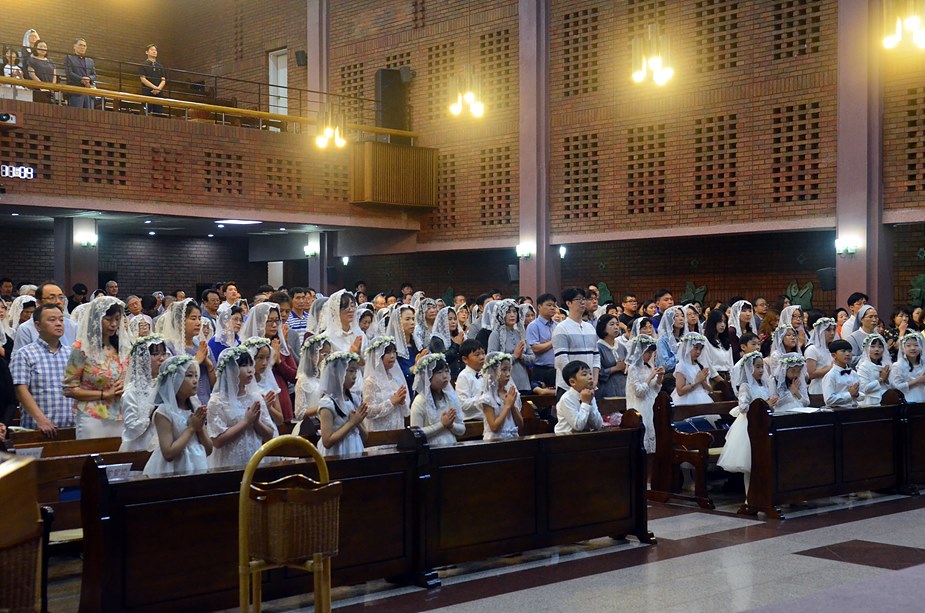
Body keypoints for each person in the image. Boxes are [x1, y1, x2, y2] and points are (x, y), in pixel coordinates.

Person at [62, 296, 130, 438]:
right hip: (93, 416)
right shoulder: (82, 348)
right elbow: (69, 388)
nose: (113, 324)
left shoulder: (122, 348)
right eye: (108, 319)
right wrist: (104, 394)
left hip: (121, 414)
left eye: (117, 319)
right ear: (96, 319)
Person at [207, 346, 277, 468]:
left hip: (254, 460)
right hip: (229, 464)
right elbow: (217, 441)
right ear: (230, 369)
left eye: (251, 365)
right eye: (244, 365)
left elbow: (269, 434)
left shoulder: (255, 397)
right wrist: (245, 422)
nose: (250, 370)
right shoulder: (217, 401)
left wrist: (256, 423)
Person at [717, 351, 777, 493]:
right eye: (757, 367)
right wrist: (766, 404)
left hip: (764, 425)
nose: (761, 370)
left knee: (765, 461)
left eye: (762, 367)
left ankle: (765, 493)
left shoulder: (765, 385)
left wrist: (771, 404)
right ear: (749, 368)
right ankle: (749, 495)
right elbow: (743, 407)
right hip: (748, 427)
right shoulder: (746, 386)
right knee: (750, 463)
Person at [143, 355, 213, 476]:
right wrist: (191, 429)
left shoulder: (195, 407)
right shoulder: (164, 412)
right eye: (189, 376)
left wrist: (200, 428)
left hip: (197, 465)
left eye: (196, 376)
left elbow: (208, 450)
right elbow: (168, 454)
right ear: (174, 379)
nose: (195, 381)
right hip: (173, 471)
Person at [10, 305, 73, 436]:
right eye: (52, 320)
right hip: (38, 430)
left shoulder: (72, 353)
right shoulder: (24, 354)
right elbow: (20, 390)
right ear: (38, 326)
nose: (58, 324)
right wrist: (40, 419)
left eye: (61, 320)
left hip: (72, 428)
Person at [119, 334, 169, 451]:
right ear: (143, 358)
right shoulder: (133, 391)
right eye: (156, 354)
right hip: (139, 447)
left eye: (163, 354)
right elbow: (132, 428)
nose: (162, 358)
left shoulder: (165, 385)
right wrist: (150, 414)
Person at [317, 351, 368, 457]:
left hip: (355, 448)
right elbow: (327, 441)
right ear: (337, 373)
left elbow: (365, 436)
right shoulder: (327, 403)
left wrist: (358, 422)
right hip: (337, 453)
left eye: (355, 371)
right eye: (351, 371)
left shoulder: (354, 399)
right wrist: (351, 423)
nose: (354, 376)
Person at [552, 288, 600, 397]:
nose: (582, 302)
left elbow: (596, 356)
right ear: (568, 303)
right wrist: (576, 383)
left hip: (588, 387)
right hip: (568, 388)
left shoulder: (590, 328)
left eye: (584, 299)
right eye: (578, 299)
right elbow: (561, 360)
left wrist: (594, 379)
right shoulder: (561, 328)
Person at [410, 353, 464, 446]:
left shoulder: (450, 397)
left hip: (452, 447)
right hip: (431, 449)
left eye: (446, 371)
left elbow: (462, 429)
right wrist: (442, 424)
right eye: (439, 372)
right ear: (428, 376)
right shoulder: (420, 401)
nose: (445, 376)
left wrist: (451, 425)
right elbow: (416, 433)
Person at [12, 282, 77, 356]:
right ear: (39, 302)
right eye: (52, 298)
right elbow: (19, 357)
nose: (58, 302)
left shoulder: (73, 326)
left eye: (61, 297)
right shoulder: (26, 328)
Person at [487, 299, 535, 395]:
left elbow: (533, 358)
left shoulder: (521, 334)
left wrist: (521, 356)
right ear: (502, 314)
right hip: (504, 385)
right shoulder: (496, 334)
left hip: (524, 383)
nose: (512, 315)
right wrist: (514, 356)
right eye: (508, 312)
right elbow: (492, 360)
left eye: (514, 312)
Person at [362, 336, 409, 432]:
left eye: (394, 352)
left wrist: (402, 403)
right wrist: (391, 402)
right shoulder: (371, 381)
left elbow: (406, 413)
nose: (392, 356)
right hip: (379, 434)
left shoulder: (397, 380)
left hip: (397, 430)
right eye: (388, 352)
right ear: (377, 356)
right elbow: (368, 412)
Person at [625, 335, 662, 454]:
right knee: (644, 440)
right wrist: (651, 377)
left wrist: (659, 377)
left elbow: (656, 389)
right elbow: (639, 392)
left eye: (652, 353)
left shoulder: (650, 366)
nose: (650, 355)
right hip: (640, 406)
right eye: (648, 352)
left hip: (652, 403)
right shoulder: (633, 368)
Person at [478, 352, 523, 440]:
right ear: (492, 372)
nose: (508, 374)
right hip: (495, 440)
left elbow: (520, 424)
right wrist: (507, 406)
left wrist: (512, 406)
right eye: (504, 370)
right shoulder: (487, 398)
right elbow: (494, 427)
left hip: (513, 438)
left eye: (509, 370)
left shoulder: (510, 394)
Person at [293, 334, 330, 436]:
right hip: (310, 428)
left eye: (328, 354)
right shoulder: (303, 380)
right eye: (324, 354)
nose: (326, 359)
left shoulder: (327, 377)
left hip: (327, 425)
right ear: (312, 355)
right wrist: (322, 406)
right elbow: (300, 413)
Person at [554, 360, 604, 435]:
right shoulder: (566, 399)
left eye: (590, 373)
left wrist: (589, 403)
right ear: (572, 382)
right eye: (584, 374)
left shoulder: (589, 395)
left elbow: (598, 425)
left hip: (584, 436)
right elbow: (578, 426)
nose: (590, 377)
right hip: (565, 438)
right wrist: (586, 403)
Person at [243, 337, 284, 424]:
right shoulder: (243, 384)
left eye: (267, 358)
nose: (265, 363)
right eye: (260, 358)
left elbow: (280, 420)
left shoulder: (269, 382)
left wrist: (269, 408)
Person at [671, 333, 713, 405]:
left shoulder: (699, 365)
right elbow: (680, 391)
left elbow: (710, 390)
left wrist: (703, 381)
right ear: (687, 347)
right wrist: (696, 382)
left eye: (700, 349)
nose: (698, 352)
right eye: (696, 348)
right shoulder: (681, 366)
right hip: (686, 400)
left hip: (702, 398)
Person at [526, 293, 557, 389]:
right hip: (541, 369)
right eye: (549, 305)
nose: (552, 308)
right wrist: (553, 341)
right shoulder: (533, 325)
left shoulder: (557, 325)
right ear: (539, 307)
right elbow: (535, 348)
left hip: (556, 369)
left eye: (554, 305)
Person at [387, 304, 420, 393]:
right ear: (398, 322)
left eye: (413, 319)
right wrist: (413, 369)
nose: (412, 322)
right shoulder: (392, 348)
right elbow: (393, 376)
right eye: (407, 319)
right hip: (402, 390)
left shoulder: (416, 345)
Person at [455, 339, 487, 421]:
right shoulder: (463, 376)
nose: (482, 357)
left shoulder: (487, 373)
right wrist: (482, 399)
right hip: (473, 420)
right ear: (465, 359)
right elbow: (463, 404)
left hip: (488, 418)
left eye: (483, 353)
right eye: (477, 355)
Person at [429, 305, 465, 380]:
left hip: (461, 376)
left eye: (455, 319)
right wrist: (456, 344)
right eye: (450, 319)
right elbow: (443, 359)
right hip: (446, 378)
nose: (453, 322)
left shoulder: (457, 336)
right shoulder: (436, 339)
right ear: (442, 321)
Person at [822, 340, 860, 408]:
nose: (848, 354)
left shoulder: (854, 373)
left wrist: (857, 394)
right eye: (843, 351)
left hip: (855, 409)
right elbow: (829, 400)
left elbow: (862, 394)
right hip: (838, 411)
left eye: (849, 351)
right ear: (834, 355)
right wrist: (849, 395)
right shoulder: (831, 376)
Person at [595, 314, 626, 399]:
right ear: (603, 327)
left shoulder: (621, 346)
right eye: (612, 324)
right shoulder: (598, 348)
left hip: (623, 386)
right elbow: (597, 373)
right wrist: (616, 368)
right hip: (607, 389)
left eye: (617, 324)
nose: (616, 327)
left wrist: (625, 368)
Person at [857, 333, 892, 407]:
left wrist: (886, 380)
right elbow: (863, 389)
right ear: (866, 349)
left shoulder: (885, 365)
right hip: (869, 403)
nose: (877, 349)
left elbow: (893, 386)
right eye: (872, 346)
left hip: (885, 401)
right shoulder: (864, 366)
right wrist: (881, 379)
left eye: (880, 347)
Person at [889, 333, 925, 403]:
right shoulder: (897, 366)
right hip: (908, 401)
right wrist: (916, 381)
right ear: (902, 348)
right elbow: (895, 387)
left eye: (916, 345)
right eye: (908, 345)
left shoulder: (923, 364)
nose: (913, 348)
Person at [703, 309, 733, 382]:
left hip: (728, 378)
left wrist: (731, 380)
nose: (723, 325)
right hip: (713, 380)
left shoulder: (725, 342)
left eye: (724, 322)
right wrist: (721, 381)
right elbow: (708, 364)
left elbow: (731, 364)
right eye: (720, 322)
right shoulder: (705, 340)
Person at [138, 44, 166, 115]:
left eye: (155, 50)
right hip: (148, 92)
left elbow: (163, 80)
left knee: (158, 114)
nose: (154, 51)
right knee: (147, 113)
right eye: (152, 50)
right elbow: (143, 79)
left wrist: (158, 89)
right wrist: (154, 87)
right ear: (146, 52)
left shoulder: (160, 66)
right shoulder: (143, 65)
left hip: (159, 93)